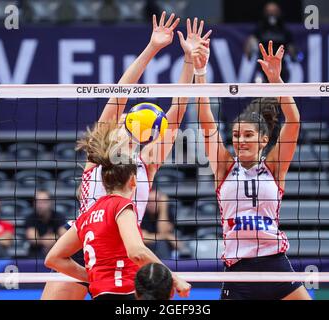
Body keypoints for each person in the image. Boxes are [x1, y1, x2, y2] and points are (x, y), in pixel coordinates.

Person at [41, 12, 211, 300]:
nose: (120, 125)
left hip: (128, 251)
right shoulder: (97, 157)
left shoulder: (144, 165)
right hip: (86, 246)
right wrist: (153, 47)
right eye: (119, 123)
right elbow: (119, 95)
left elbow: (178, 111)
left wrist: (188, 62)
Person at [194, 39, 310, 300]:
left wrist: (276, 79)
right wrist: (200, 72)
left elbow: (293, 120)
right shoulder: (224, 167)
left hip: (275, 266)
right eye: (236, 135)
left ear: (263, 139)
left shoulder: (275, 167)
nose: (241, 140)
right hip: (238, 271)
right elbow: (206, 121)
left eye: (248, 134)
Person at [44, 123, 191, 300]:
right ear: (133, 181)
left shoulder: (86, 216)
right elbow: (136, 251)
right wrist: (173, 278)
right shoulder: (123, 207)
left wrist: (92, 277)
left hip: (100, 293)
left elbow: (52, 258)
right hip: (123, 293)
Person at [244, 2, 296, 82]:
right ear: (265, 13)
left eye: (274, 11)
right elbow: (249, 50)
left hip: (281, 69)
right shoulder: (259, 29)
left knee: (281, 92)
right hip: (262, 69)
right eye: (269, 11)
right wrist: (249, 49)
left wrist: (294, 55)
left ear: (279, 13)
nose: (271, 14)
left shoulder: (284, 30)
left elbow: (294, 52)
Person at [141, 189, 190, 259]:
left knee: (165, 244)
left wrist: (163, 207)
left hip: (164, 249)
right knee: (161, 243)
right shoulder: (141, 214)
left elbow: (163, 231)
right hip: (146, 250)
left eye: (155, 201)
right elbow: (143, 238)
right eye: (149, 201)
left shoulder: (167, 212)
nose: (152, 204)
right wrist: (167, 236)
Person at [25, 190, 67, 258]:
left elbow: (64, 236)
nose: (40, 205)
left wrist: (43, 239)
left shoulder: (59, 216)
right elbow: (33, 239)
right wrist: (52, 239)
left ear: (50, 202)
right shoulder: (30, 217)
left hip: (57, 251)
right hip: (36, 253)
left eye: (44, 202)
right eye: (38, 202)